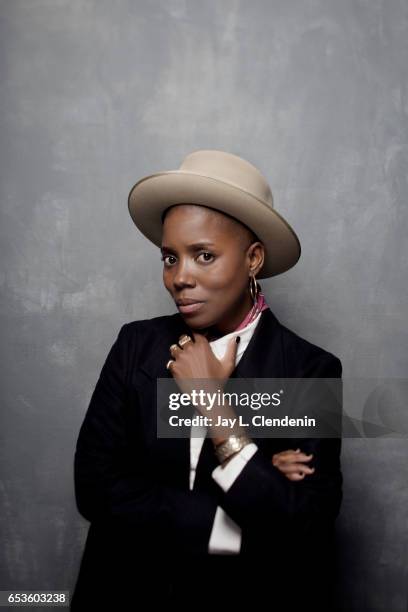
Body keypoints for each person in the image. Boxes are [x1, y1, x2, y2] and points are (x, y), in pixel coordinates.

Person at [70, 150, 343, 611]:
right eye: (170, 258)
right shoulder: (136, 347)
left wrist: (215, 408)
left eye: (204, 255)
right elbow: (94, 487)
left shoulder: (307, 369)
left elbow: (303, 527)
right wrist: (236, 511)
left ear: (253, 258)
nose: (181, 277)